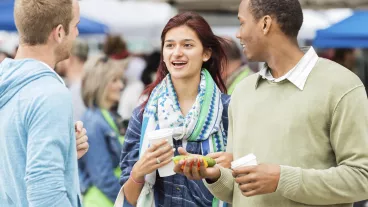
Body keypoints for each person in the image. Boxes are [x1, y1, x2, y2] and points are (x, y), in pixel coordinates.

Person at [175, 0, 368, 206]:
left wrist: (281, 179)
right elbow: (238, 189)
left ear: (265, 24)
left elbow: (362, 178)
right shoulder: (243, 92)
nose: (238, 34)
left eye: (242, 23)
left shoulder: (341, 85)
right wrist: (214, 175)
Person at [119, 11, 231, 207]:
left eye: (187, 45)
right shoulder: (145, 113)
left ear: (206, 53)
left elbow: (246, 183)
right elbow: (128, 199)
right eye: (170, 45)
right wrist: (139, 172)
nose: (177, 52)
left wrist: (227, 167)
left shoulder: (228, 111)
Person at [0, 0, 83, 206]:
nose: (77, 33)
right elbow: (46, 194)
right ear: (60, 32)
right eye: (76, 25)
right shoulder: (50, 94)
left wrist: (64, 154)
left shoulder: (7, 83)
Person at [78, 56, 126, 207]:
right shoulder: (93, 121)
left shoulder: (108, 116)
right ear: (100, 84)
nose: (121, 85)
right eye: (114, 80)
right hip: (102, 201)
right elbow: (102, 177)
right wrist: (128, 203)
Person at [58, 39, 89, 122]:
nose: (57, 59)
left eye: (60, 55)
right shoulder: (88, 84)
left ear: (70, 58)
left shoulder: (76, 90)